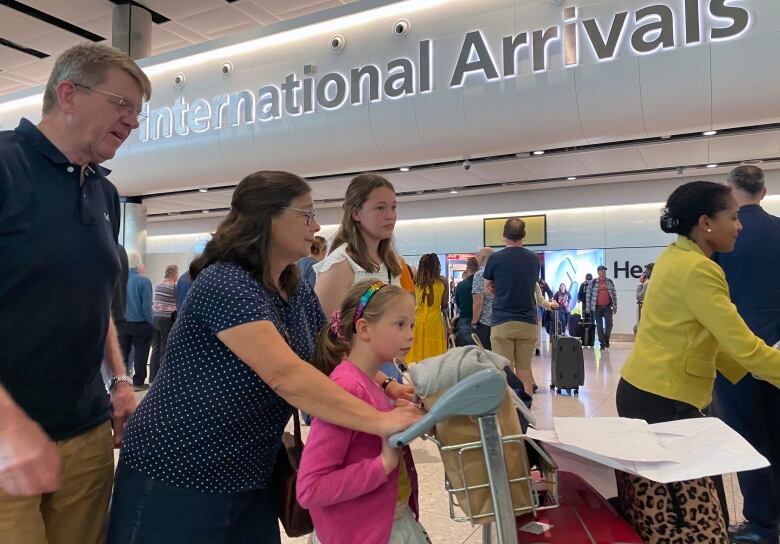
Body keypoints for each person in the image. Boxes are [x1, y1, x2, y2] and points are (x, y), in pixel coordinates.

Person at [106, 171, 422, 543]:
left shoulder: (292, 286)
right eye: (306, 215)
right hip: (179, 471)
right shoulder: (225, 282)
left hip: (249, 473)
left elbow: (330, 352)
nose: (316, 225)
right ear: (268, 218)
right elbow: (285, 375)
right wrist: (379, 422)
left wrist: (387, 387)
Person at [0, 43, 150, 544]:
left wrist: (120, 380)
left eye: (137, 112)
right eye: (121, 104)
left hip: (85, 431)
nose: (132, 121)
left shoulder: (103, 192)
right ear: (68, 93)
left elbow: (93, 297)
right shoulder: (5, 166)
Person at [617, 180, 780, 531]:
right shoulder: (701, 270)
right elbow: (744, 346)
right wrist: (764, 368)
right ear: (706, 223)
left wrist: (756, 372)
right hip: (666, 399)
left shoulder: (675, 257)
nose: (739, 226)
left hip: (647, 391)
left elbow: (712, 340)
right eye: (733, 217)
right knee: (695, 514)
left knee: (675, 509)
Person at [297, 280, 429, 544]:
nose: (411, 334)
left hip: (381, 522)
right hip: (362, 531)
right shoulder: (347, 389)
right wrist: (383, 464)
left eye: (411, 325)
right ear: (364, 328)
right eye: (400, 324)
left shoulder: (368, 382)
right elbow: (310, 488)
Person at [712, 166, 780, 544]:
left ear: (729, 192)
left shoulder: (723, 238)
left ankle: (760, 523)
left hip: (737, 353)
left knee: (748, 435)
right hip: (779, 354)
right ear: (765, 191)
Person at [314, 173, 414, 396]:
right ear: (356, 213)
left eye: (393, 207)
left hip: (388, 369)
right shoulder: (340, 265)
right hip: (355, 380)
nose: (390, 216)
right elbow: (330, 341)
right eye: (380, 208)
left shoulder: (392, 261)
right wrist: (386, 383)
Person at [484, 219, 557, 396]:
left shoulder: (495, 258)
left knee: (504, 372)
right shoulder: (533, 260)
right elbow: (529, 284)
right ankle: (526, 411)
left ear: (504, 236)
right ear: (523, 235)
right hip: (528, 322)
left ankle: (509, 416)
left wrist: (496, 291)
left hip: (502, 322)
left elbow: (488, 289)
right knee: (525, 373)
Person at [119, 253, 154, 390]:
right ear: (138, 263)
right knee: (141, 354)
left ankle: (121, 382)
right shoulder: (144, 281)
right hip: (141, 324)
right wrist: (150, 322)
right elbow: (147, 306)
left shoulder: (119, 280)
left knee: (123, 355)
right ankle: (138, 382)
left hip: (122, 323)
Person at [407, 254, 448, 362]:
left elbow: (410, 302)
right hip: (435, 321)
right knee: (434, 353)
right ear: (437, 266)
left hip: (418, 320)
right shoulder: (443, 281)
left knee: (417, 352)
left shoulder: (415, 281)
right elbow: (444, 305)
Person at [149, 264, 178, 383]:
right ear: (174, 274)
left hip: (155, 318)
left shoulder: (159, 284)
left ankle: (152, 378)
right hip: (167, 319)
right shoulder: (174, 286)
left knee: (156, 348)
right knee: (165, 348)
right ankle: (161, 380)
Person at [586, 265, 617, 349]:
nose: (604, 272)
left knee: (609, 324)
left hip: (607, 307)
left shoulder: (609, 282)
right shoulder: (593, 283)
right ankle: (602, 343)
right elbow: (588, 296)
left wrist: (615, 306)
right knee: (599, 326)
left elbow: (614, 294)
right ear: (598, 272)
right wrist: (588, 308)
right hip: (597, 308)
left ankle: (606, 338)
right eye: (602, 270)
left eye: (604, 270)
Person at [471, 247, 495, 349]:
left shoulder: (480, 274)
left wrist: (474, 322)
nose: (477, 258)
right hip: (500, 321)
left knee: (485, 356)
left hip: (485, 323)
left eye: (478, 256)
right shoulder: (499, 272)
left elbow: (478, 302)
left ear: (484, 258)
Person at [454, 257, 480, 346]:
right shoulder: (483, 283)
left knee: (466, 351)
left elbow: (457, 302)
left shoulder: (461, 285)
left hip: (465, 319)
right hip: (481, 320)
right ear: (478, 268)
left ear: (467, 268)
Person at [634, 263, 654, 334]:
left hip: (649, 314)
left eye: (646, 271)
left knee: (636, 329)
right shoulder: (658, 281)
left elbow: (639, 296)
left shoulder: (648, 283)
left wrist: (640, 283)